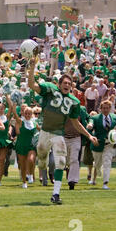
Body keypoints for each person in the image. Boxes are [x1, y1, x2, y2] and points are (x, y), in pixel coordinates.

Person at [28, 61, 98, 204]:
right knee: (41, 160)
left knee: (60, 162)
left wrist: (89, 135)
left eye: (69, 83)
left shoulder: (74, 102)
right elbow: (32, 85)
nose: (67, 85)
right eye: (64, 83)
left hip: (58, 133)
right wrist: (32, 68)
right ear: (59, 84)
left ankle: (56, 194)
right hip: (45, 132)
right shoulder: (50, 90)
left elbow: (75, 122)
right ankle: (42, 163)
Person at [87, 100, 116, 189]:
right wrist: (92, 137)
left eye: (107, 108)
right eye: (104, 108)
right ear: (100, 109)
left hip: (109, 144)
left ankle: (105, 183)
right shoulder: (95, 118)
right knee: (97, 164)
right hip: (98, 144)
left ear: (110, 109)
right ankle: (94, 178)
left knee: (107, 163)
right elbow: (89, 128)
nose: (105, 110)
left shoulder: (114, 117)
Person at [11, 101, 38, 189]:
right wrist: (14, 104)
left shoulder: (34, 123)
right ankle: (24, 181)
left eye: (29, 113)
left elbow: (42, 129)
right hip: (21, 145)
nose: (27, 115)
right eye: (26, 113)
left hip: (31, 145)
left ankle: (30, 174)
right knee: (22, 165)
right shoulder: (20, 122)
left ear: (32, 114)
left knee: (30, 160)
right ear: (23, 113)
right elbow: (14, 113)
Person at [65, 103, 90, 190]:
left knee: (74, 159)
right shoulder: (61, 109)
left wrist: (89, 124)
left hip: (76, 138)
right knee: (66, 160)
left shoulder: (81, 109)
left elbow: (89, 118)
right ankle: (67, 169)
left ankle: (72, 181)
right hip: (64, 138)